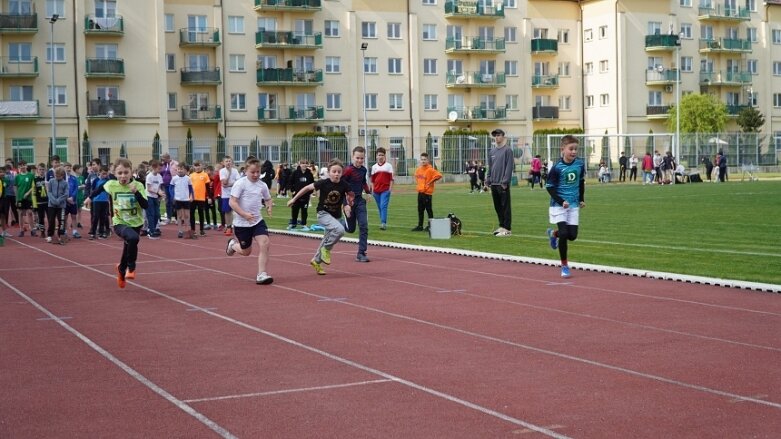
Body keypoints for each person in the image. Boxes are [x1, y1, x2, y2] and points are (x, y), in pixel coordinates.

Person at [84, 158, 148, 288]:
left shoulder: (139, 185)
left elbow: (145, 205)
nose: (123, 176)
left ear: (131, 172)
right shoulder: (112, 184)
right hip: (119, 222)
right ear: (115, 174)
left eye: (126, 172)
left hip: (136, 223)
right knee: (133, 238)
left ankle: (121, 269)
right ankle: (131, 267)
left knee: (129, 245)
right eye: (120, 173)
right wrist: (89, 197)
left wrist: (136, 193)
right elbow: (100, 188)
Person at [287, 159, 352, 275]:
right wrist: (294, 199)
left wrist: (347, 206)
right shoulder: (323, 183)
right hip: (323, 214)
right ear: (328, 172)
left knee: (327, 238)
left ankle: (316, 261)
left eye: (339, 172)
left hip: (336, 216)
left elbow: (348, 197)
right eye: (334, 171)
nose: (336, 174)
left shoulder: (344, 185)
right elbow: (307, 188)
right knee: (340, 230)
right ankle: (326, 249)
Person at [225, 158, 275, 285]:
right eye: (253, 172)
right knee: (246, 252)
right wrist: (244, 214)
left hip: (257, 221)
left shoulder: (262, 185)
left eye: (258, 172)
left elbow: (268, 199)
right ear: (246, 171)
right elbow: (232, 202)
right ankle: (233, 245)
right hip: (242, 223)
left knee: (265, 243)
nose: (256, 175)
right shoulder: (240, 184)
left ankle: (261, 274)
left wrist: (269, 206)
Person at [546, 135, 586, 279]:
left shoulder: (580, 165)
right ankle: (564, 265)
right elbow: (549, 187)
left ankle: (553, 234)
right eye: (571, 149)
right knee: (564, 233)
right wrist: (561, 201)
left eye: (576, 149)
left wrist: (581, 199)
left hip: (574, 205)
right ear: (563, 149)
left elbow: (581, 183)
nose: (574, 151)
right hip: (558, 205)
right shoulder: (557, 168)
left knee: (572, 236)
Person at [342, 146, 371, 262]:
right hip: (349, 201)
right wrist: (345, 204)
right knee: (351, 229)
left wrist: (368, 193)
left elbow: (363, 181)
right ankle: (341, 224)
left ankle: (361, 253)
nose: (359, 161)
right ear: (352, 157)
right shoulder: (348, 170)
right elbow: (341, 187)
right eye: (357, 158)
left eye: (362, 158)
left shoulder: (363, 170)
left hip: (360, 201)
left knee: (364, 225)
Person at [487, 128, 514, 236]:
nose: (497, 137)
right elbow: (490, 167)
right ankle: (501, 225)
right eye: (495, 135)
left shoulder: (508, 150)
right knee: (497, 207)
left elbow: (509, 166)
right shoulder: (492, 151)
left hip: (502, 184)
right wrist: (488, 179)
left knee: (505, 207)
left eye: (499, 135)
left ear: (503, 136)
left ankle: (507, 228)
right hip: (494, 184)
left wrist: (505, 182)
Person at [411, 152, 442, 231]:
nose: (423, 161)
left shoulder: (430, 170)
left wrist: (430, 182)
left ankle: (431, 225)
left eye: (425, 159)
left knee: (429, 210)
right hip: (420, 192)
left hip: (427, 193)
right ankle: (420, 226)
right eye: (422, 159)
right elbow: (417, 178)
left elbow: (439, 175)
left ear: (428, 160)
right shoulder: (418, 170)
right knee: (420, 210)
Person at [370, 147, 394, 230]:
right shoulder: (374, 167)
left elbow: (391, 179)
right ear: (376, 156)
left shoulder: (389, 166)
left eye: (382, 155)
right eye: (379, 155)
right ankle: (382, 221)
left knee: (383, 206)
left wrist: (389, 189)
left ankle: (383, 223)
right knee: (380, 207)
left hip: (385, 190)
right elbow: (372, 180)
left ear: (385, 156)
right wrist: (372, 190)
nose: (380, 157)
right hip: (376, 191)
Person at [288, 159, 314, 231]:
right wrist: (293, 191)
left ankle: (304, 224)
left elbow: (312, 184)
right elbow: (290, 182)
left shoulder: (309, 174)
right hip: (296, 196)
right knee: (295, 210)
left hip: (305, 196)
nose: (304, 165)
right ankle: (293, 224)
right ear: (299, 164)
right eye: (302, 163)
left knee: (304, 210)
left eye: (306, 163)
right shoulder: (295, 173)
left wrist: (310, 192)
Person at [46, 166, 69, 244]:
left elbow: (66, 194)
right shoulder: (51, 181)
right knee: (51, 220)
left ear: (62, 176)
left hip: (61, 206)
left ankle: (61, 234)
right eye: (56, 175)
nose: (56, 177)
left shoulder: (65, 183)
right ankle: (50, 235)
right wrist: (53, 200)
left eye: (58, 176)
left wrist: (58, 200)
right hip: (51, 205)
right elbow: (49, 192)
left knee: (61, 220)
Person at [171, 163, 194, 239]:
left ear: (185, 170)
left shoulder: (188, 178)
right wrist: (173, 196)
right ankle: (180, 231)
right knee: (180, 216)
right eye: (179, 169)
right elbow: (170, 188)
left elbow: (191, 189)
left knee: (187, 216)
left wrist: (191, 196)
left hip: (186, 199)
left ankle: (188, 230)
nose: (180, 171)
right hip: (178, 199)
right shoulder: (174, 178)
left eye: (182, 169)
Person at [189, 160, 211, 237]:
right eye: (196, 166)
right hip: (193, 198)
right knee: (191, 214)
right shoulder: (191, 175)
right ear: (193, 167)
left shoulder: (205, 175)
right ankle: (193, 230)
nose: (197, 167)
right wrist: (189, 195)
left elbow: (208, 187)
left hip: (201, 198)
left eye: (199, 165)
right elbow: (189, 187)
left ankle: (201, 230)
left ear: (202, 166)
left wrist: (209, 197)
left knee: (201, 214)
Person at [219, 156, 240, 235]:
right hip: (226, 195)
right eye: (226, 161)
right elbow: (224, 183)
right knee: (227, 211)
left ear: (232, 162)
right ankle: (228, 227)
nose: (228, 163)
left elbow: (238, 182)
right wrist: (229, 173)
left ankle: (237, 226)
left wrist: (230, 184)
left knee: (236, 211)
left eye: (229, 161)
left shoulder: (235, 171)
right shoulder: (222, 171)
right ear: (223, 163)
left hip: (235, 194)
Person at [14, 162, 35, 237]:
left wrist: (28, 193)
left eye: (24, 165)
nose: (22, 167)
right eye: (21, 166)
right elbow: (16, 187)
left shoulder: (31, 175)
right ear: (19, 167)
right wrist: (16, 199)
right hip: (20, 197)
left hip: (28, 198)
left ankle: (32, 230)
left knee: (29, 213)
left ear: (26, 166)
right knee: (20, 213)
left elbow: (33, 186)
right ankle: (21, 230)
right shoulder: (17, 176)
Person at [145, 160, 164, 239]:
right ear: (153, 168)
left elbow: (159, 187)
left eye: (160, 169)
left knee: (157, 214)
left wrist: (161, 194)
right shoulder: (149, 176)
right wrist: (157, 192)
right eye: (158, 169)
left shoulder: (159, 176)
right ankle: (150, 230)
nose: (160, 170)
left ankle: (154, 228)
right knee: (151, 213)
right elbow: (149, 189)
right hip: (149, 196)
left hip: (155, 197)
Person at [159, 153, 177, 225]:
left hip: (173, 185)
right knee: (167, 202)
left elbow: (177, 172)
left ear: (167, 158)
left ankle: (176, 218)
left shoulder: (175, 163)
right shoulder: (163, 165)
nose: (162, 159)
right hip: (165, 185)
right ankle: (169, 218)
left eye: (163, 158)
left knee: (174, 201)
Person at [33, 164, 48, 237]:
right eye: (40, 169)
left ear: (45, 170)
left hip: (48, 202)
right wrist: (34, 204)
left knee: (50, 217)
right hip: (39, 202)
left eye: (43, 169)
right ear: (37, 170)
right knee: (41, 218)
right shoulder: (35, 179)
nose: (41, 171)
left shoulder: (47, 179)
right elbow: (33, 192)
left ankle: (50, 231)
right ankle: (42, 231)